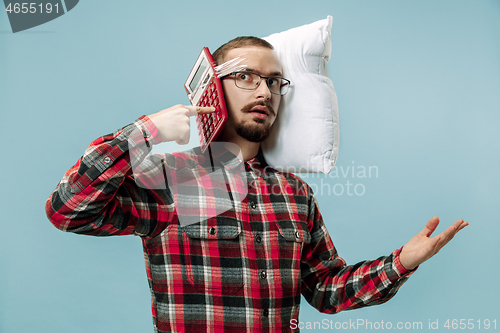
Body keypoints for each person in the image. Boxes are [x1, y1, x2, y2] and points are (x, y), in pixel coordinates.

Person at [45, 37, 468, 333]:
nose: (264, 90)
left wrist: (402, 262)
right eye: (246, 76)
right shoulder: (170, 178)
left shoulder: (295, 194)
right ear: (212, 86)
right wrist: (143, 132)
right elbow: (67, 210)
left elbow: (326, 290)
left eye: (274, 81)